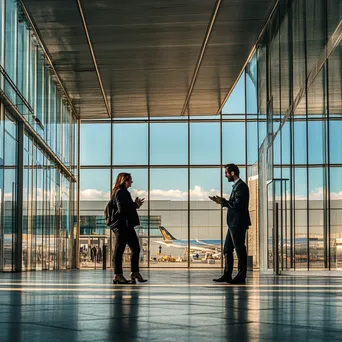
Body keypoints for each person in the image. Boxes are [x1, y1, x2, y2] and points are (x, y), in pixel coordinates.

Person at [209, 164, 251, 284]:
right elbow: (234, 204)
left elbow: (238, 205)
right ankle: (227, 274)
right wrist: (222, 202)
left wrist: (224, 202)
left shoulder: (241, 187)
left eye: (226, 173)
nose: (225, 175)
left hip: (237, 223)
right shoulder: (237, 186)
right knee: (227, 249)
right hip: (233, 223)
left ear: (232, 173)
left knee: (239, 249)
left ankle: (241, 276)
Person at [111, 172, 147, 284]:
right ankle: (117, 275)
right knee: (119, 250)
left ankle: (134, 272)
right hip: (122, 226)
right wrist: (135, 205)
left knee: (135, 248)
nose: (132, 182)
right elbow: (122, 210)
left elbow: (125, 208)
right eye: (130, 180)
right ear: (124, 181)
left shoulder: (124, 192)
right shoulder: (120, 192)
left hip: (126, 225)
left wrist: (135, 205)